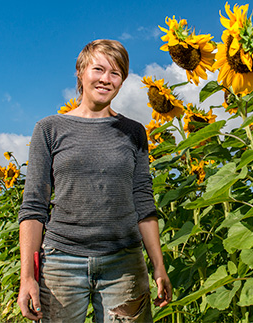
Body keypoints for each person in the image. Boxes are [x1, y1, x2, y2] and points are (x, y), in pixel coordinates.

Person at [17, 39, 172, 322]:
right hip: (61, 260)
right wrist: (27, 276)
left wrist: (158, 266)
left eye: (115, 73)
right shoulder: (49, 129)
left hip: (124, 262)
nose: (106, 79)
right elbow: (34, 207)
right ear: (80, 71)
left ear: (122, 80)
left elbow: (143, 201)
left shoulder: (133, 132)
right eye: (98, 69)